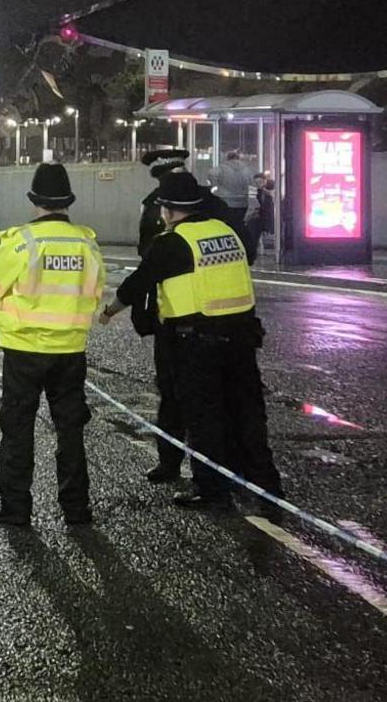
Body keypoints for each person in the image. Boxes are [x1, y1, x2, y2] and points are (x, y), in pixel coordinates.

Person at [104, 169, 283, 510]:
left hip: (197, 342)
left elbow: (137, 284)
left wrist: (110, 311)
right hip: (242, 338)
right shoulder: (227, 232)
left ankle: (213, 490)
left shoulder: (172, 242)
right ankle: (267, 486)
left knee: (205, 417)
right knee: (247, 413)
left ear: (169, 211)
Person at [0, 163, 106, 528]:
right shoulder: (87, 244)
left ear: (34, 200)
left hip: (23, 350)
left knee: (18, 429)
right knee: (70, 431)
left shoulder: (22, 243)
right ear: (68, 201)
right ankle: (76, 509)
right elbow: (96, 294)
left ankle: (16, 508)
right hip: (70, 350)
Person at [134, 148, 190, 482]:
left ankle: (171, 462)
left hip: (173, 313)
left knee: (171, 391)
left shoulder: (156, 203)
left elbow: (148, 258)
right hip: (226, 315)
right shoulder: (213, 203)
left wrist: (140, 308)